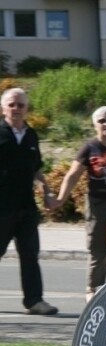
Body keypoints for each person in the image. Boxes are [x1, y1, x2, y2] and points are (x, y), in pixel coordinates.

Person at [50, 106, 106, 302]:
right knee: (98, 251)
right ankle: (93, 289)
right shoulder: (90, 148)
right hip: (98, 206)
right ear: (95, 125)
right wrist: (60, 199)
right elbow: (73, 175)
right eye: (101, 121)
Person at [0, 88, 58, 315]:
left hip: (26, 207)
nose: (16, 109)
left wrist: (47, 192)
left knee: (30, 254)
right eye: (12, 104)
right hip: (1, 207)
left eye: (21, 105)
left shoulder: (31, 135)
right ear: (3, 108)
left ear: (26, 109)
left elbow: (36, 169)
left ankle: (35, 301)